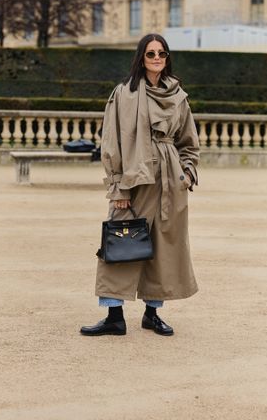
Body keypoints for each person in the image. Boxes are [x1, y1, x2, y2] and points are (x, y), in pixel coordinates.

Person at [80, 33, 199, 337]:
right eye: (151, 54)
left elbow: (189, 141)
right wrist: (118, 187)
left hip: (170, 183)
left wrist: (186, 173)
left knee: (164, 250)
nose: (157, 58)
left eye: (162, 53)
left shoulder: (177, 95)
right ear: (141, 57)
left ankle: (152, 314)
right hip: (134, 181)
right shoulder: (124, 93)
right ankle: (113, 315)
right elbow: (111, 142)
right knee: (119, 242)